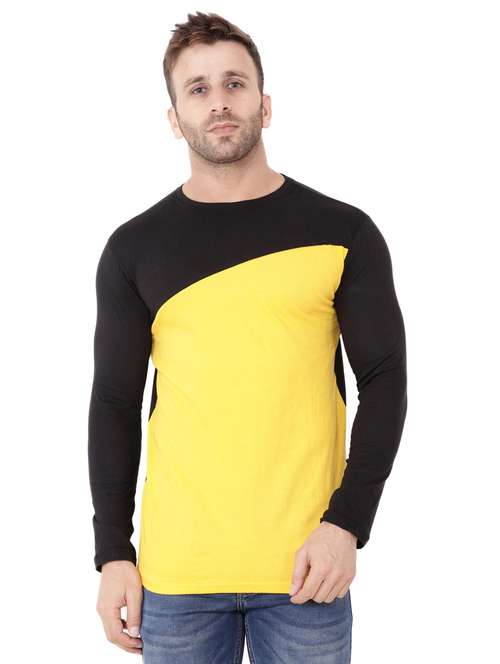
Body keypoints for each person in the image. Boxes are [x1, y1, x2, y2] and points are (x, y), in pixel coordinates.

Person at [88, 11, 408, 663]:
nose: (219, 102)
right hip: (176, 576)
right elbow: (115, 404)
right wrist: (113, 551)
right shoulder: (133, 248)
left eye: (234, 83)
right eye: (198, 88)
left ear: (265, 104)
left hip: (306, 572)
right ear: (174, 117)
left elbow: (385, 381)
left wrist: (348, 524)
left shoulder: (343, 232)